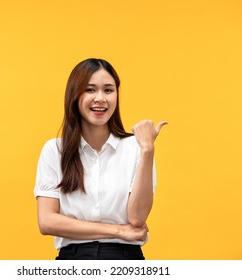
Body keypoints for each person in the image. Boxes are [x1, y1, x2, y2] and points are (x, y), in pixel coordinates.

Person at [34, 58, 168, 260]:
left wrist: (148, 150)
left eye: (108, 90)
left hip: (125, 261)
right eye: (90, 90)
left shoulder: (136, 148)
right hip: (74, 260)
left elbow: (137, 218)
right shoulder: (55, 150)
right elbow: (47, 222)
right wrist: (119, 231)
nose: (100, 98)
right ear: (74, 95)